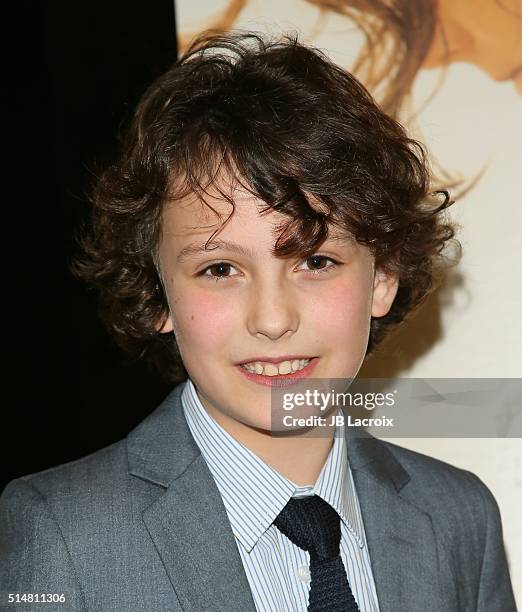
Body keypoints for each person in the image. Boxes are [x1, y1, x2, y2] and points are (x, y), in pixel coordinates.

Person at [0, 31, 516, 612]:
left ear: (382, 279)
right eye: (220, 269)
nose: (272, 320)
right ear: (158, 291)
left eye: (315, 261)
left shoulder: (459, 519)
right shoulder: (62, 534)